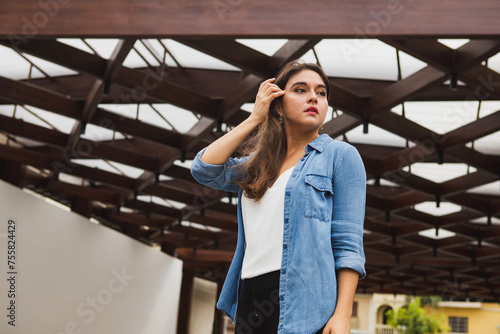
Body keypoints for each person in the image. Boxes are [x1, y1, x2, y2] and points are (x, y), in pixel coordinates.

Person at [190, 61, 366, 334]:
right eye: (300, 89)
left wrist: (342, 314)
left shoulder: (340, 157)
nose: (313, 97)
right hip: (250, 295)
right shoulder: (257, 164)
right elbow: (203, 169)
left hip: (305, 304)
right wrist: (254, 118)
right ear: (279, 106)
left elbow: (348, 245)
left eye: (321, 93)